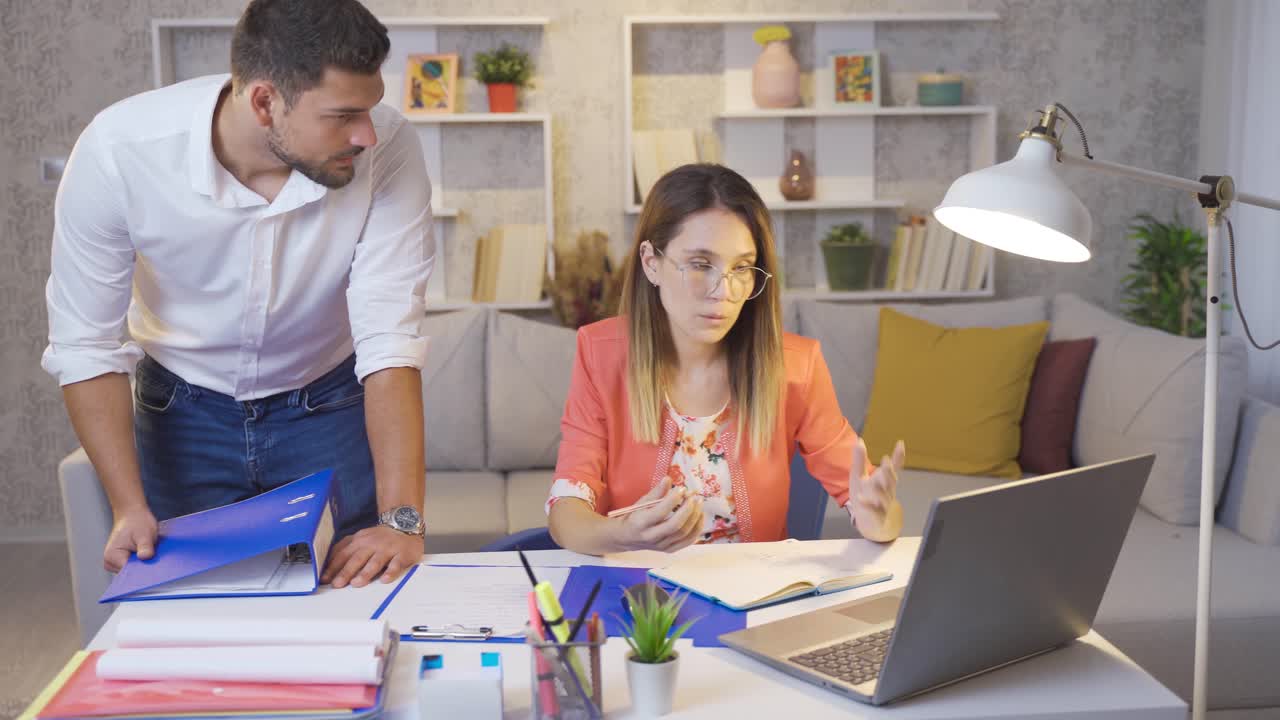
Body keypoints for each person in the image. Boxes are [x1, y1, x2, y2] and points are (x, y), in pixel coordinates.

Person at [42, 0, 434, 589]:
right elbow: (85, 344)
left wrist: (403, 520)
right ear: (263, 101)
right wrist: (129, 507)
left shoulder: (389, 151)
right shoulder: (119, 153)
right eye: (344, 114)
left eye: (371, 109)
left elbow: (389, 339)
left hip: (328, 403)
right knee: (198, 613)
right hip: (182, 414)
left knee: (350, 601)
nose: (367, 133)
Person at [546, 163, 905, 555]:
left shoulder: (797, 366)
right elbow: (567, 510)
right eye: (701, 265)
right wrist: (623, 535)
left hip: (755, 604)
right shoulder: (599, 353)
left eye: (741, 268)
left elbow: (870, 504)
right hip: (637, 596)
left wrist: (878, 517)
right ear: (651, 262)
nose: (724, 290)